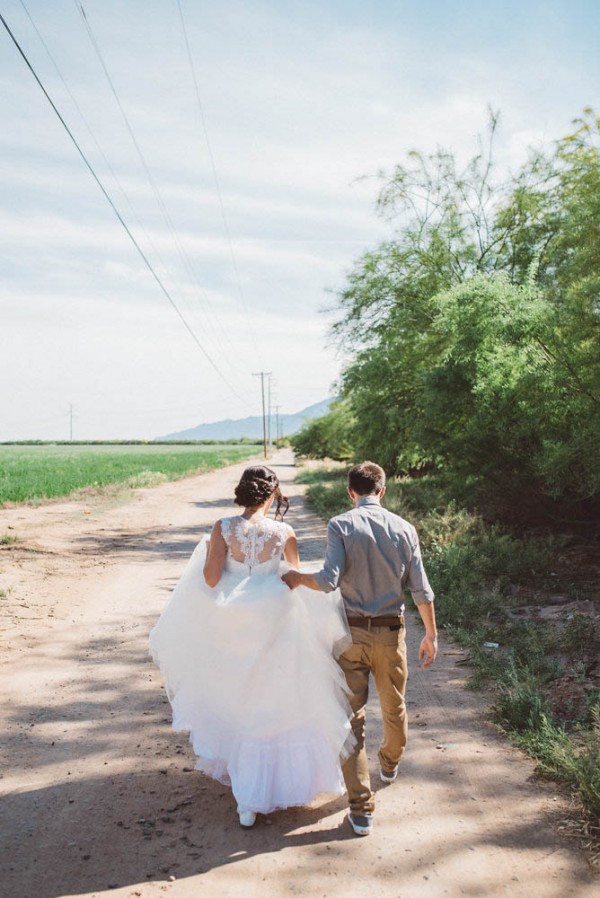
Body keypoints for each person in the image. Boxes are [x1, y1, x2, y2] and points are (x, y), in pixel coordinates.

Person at [149, 465, 353, 828]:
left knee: (238, 701)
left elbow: (211, 580)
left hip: (233, 622)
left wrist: (209, 556)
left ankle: (248, 800)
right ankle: (278, 785)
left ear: (243, 492)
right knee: (277, 699)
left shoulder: (223, 528)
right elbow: (293, 578)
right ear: (273, 494)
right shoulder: (283, 531)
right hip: (274, 619)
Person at [282, 461, 438, 837]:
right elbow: (421, 590)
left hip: (349, 636)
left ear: (350, 492)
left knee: (350, 720)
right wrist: (431, 635)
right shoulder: (405, 528)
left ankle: (361, 810)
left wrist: (296, 578)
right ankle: (389, 761)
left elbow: (328, 580)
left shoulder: (340, 524)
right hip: (390, 633)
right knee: (394, 707)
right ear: (382, 490)